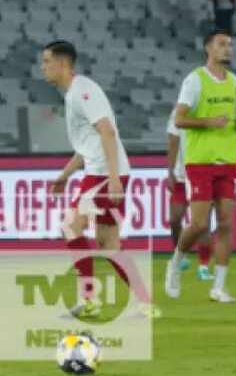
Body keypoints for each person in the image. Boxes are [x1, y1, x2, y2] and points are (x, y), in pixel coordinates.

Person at [41, 41, 158, 318]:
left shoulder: (83, 92)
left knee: (71, 225)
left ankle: (89, 298)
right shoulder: (75, 93)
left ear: (62, 64)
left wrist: (114, 178)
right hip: (105, 172)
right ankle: (145, 302)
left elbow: (107, 133)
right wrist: (65, 176)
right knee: (109, 244)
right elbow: (88, 146)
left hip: (105, 174)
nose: (43, 68)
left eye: (46, 61)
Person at [165, 33, 236, 303]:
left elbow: (226, 117)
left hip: (228, 158)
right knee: (198, 224)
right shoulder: (195, 80)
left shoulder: (233, 81)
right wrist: (209, 122)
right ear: (208, 48)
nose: (228, 48)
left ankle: (219, 287)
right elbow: (179, 120)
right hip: (200, 161)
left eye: (230, 44)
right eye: (222, 44)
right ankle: (175, 263)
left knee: (225, 223)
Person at [166, 107, 214, 282]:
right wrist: (170, 171)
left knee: (203, 225)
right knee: (174, 219)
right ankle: (181, 256)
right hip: (180, 176)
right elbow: (172, 140)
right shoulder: (177, 113)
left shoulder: (208, 111)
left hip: (201, 173)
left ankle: (203, 266)